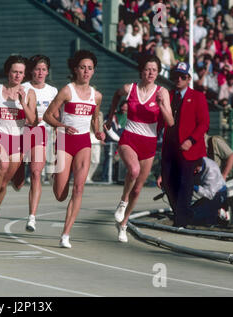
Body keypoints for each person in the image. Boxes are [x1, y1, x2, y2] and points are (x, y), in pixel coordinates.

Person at [105, 55, 174, 243]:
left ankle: (124, 224)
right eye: (147, 69)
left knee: (138, 189)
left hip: (149, 142)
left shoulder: (162, 92)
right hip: (129, 137)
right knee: (133, 170)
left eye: (154, 70)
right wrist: (110, 116)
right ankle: (122, 201)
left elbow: (170, 122)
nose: (150, 73)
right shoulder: (130, 89)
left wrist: (161, 105)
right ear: (141, 70)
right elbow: (116, 95)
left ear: (158, 72)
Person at [43, 50, 105, 248]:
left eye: (90, 68)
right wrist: (62, 126)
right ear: (75, 69)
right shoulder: (67, 91)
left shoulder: (96, 96)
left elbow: (95, 118)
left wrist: (98, 132)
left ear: (93, 71)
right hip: (64, 142)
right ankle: (58, 177)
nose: (86, 72)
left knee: (79, 188)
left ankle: (65, 234)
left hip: (83, 143)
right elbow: (48, 116)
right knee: (61, 194)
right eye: (82, 68)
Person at [0, 54, 37, 241]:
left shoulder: (29, 93)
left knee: (4, 183)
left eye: (21, 72)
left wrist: (22, 103)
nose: (17, 75)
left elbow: (32, 120)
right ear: (8, 72)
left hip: (17, 140)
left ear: (24, 74)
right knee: (2, 165)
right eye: (14, 72)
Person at [157, 62, 210, 228]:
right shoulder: (169, 96)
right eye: (175, 76)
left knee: (184, 184)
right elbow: (160, 119)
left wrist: (191, 140)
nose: (178, 79)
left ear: (188, 79)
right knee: (167, 182)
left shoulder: (198, 97)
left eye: (183, 76)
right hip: (169, 148)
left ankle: (181, 221)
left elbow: (204, 124)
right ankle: (183, 215)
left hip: (189, 150)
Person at [11, 54, 58, 232]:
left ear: (47, 72)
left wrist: (57, 140)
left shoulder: (53, 91)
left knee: (37, 173)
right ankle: (18, 170)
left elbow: (56, 116)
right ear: (31, 71)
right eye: (37, 69)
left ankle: (32, 217)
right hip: (21, 131)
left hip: (40, 132)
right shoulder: (22, 87)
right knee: (18, 182)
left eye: (43, 69)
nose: (40, 72)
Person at [190, 157, 228, 226]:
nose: (194, 171)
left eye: (195, 169)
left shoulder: (211, 172)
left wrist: (194, 187)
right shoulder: (200, 161)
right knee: (190, 212)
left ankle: (220, 213)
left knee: (198, 219)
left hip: (218, 193)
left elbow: (210, 194)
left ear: (199, 166)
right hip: (209, 191)